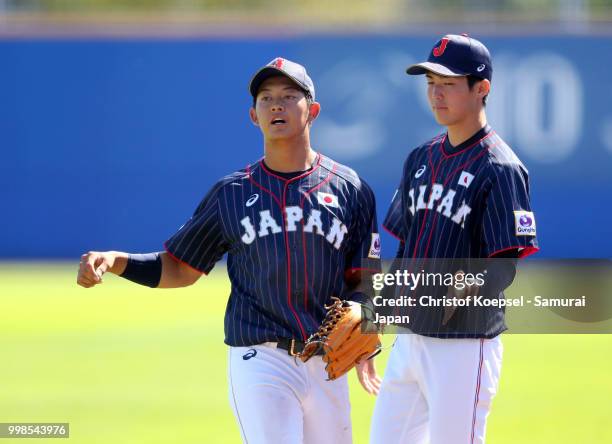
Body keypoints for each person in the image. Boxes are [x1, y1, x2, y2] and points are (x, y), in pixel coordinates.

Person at [77, 57, 381, 444]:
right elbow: (181, 267)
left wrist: (365, 317)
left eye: (289, 96)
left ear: (313, 111)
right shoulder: (232, 194)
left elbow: (365, 278)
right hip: (260, 357)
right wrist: (117, 262)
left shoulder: (350, 189)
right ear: (253, 116)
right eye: (266, 98)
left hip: (327, 361)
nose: (276, 105)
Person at [370, 35, 540, 444]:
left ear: (481, 88)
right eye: (430, 82)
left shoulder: (500, 167)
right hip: (411, 340)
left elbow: (504, 264)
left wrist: (460, 289)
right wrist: (377, 315)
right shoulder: (420, 159)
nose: (435, 93)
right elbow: (406, 250)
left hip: (464, 345)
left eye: (447, 83)